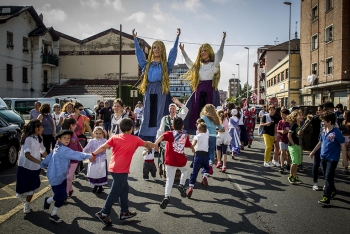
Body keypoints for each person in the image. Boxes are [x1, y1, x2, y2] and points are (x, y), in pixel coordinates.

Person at [92, 118, 156, 225]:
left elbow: (103, 147)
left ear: (120, 129)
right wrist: (155, 144)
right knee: (114, 192)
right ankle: (103, 213)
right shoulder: (135, 139)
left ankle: (124, 212)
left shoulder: (115, 137)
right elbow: (147, 144)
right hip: (121, 170)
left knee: (124, 189)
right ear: (131, 129)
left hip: (113, 168)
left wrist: (93, 154)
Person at [132, 28, 180, 142]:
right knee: (148, 113)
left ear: (162, 50)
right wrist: (135, 40)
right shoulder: (147, 65)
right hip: (149, 90)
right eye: (154, 47)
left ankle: (157, 137)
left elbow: (173, 54)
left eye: (159, 47)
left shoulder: (165, 65)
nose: (156, 49)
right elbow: (139, 55)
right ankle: (146, 137)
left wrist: (177, 38)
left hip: (160, 89)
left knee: (158, 114)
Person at [41, 130, 95, 223]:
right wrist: (90, 156)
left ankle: (53, 213)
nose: (67, 140)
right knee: (61, 195)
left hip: (62, 176)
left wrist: (43, 164)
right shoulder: (63, 149)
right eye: (64, 138)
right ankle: (48, 201)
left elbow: (49, 157)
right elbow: (76, 155)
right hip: (55, 177)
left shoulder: (58, 147)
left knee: (63, 196)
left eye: (68, 138)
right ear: (59, 139)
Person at [180, 32, 226, 135]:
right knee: (192, 108)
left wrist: (223, 41)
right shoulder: (198, 66)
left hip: (210, 89)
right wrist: (183, 51)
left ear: (209, 52)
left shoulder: (213, 65)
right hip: (199, 90)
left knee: (210, 112)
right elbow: (189, 63)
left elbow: (220, 54)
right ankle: (197, 131)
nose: (203, 52)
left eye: (205, 50)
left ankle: (210, 130)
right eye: (201, 51)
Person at [154, 117, 194, 209]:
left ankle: (166, 196)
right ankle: (181, 184)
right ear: (183, 126)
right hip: (180, 161)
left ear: (172, 126)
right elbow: (189, 145)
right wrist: (193, 149)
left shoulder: (169, 134)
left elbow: (161, 137)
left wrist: (156, 144)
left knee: (169, 179)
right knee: (185, 170)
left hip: (170, 161)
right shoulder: (184, 136)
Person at [310, 111, 347, 205]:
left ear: (330, 121)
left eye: (324, 121)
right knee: (328, 177)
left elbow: (343, 144)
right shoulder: (323, 130)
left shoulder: (336, 132)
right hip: (323, 157)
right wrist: (313, 152)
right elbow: (320, 142)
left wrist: (345, 159)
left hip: (332, 159)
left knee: (327, 177)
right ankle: (333, 190)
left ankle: (326, 197)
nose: (322, 123)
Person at [16, 120, 48, 214]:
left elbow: (43, 151)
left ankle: (27, 204)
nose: (43, 128)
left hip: (35, 167)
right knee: (24, 186)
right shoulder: (28, 139)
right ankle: (23, 196)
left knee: (33, 186)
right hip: (25, 167)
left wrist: (50, 160)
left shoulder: (39, 138)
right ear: (35, 128)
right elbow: (27, 155)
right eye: (41, 127)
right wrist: (40, 162)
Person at [186, 122, 209, 198]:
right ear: (205, 130)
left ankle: (191, 187)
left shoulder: (197, 136)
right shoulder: (206, 136)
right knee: (206, 167)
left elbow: (193, 145)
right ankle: (205, 176)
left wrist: (192, 148)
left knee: (194, 172)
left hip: (198, 155)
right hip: (205, 155)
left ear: (198, 130)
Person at [61, 117, 82, 198]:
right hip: (64, 160)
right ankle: (70, 189)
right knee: (65, 177)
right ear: (69, 125)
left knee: (69, 177)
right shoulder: (62, 135)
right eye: (74, 125)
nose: (75, 126)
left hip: (74, 159)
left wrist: (82, 153)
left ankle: (65, 195)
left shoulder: (74, 134)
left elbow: (78, 145)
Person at [200, 104, 224, 174]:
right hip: (213, 136)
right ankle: (210, 163)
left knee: (204, 152)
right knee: (211, 152)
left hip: (205, 136)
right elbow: (221, 128)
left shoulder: (203, 117)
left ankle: (205, 168)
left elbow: (200, 126)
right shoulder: (215, 118)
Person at [84, 127, 108, 193]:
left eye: (100, 133)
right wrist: (88, 156)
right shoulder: (91, 141)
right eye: (96, 133)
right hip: (94, 160)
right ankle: (96, 186)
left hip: (102, 160)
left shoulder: (105, 140)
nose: (98, 135)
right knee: (94, 173)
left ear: (102, 134)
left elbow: (110, 147)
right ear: (94, 134)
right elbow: (86, 149)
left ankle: (100, 187)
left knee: (100, 173)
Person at [287, 110, 304, 184]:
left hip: (298, 145)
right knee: (294, 161)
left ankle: (295, 176)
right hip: (293, 146)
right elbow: (289, 135)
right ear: (295, 117)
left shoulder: (299, 125)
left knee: (297, 163)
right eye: (299, 115)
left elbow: (298, 135)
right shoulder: (294, 125)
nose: (301, 116)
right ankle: (290, 176)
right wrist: (293, 144)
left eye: (302, 115)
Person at [276, 109, 290, 173]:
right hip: (282, 139)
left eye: (283, 114)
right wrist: (282, 131)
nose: (282, 116)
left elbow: (290, 129)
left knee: (288, 153)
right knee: (282, 152)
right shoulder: (280, 122)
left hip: (289, 139)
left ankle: (288, 163)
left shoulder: (289, 122)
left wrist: (287, 131)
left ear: (287, 115)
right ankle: (282, 166)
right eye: (281, 114)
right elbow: (278, 130)